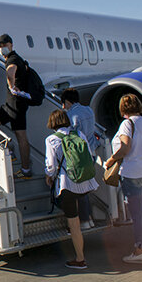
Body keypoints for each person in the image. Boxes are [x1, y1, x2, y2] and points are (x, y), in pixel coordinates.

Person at [103, 94, 142, 264]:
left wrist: (111, 160)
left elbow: (125, 147)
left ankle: (139, 249)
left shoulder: (127, 124)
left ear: (123, 108)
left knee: (137, 214)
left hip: (132, 171)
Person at [44, 109, 99, 269]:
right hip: (84, 182)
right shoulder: (79, 135)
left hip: (67, 183)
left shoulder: (52, 139)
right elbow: (89, 155)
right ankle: (86, 220)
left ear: (52, 123)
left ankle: (80, 258)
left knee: (73, 224)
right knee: (78, 212)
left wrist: (48, 175)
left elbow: (51, 166)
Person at [0, 34, 32, 178]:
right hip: (12, 104)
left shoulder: (13, 59)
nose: (2, 48)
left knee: (20, 136)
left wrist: (11, 85)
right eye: (0, 46)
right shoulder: (16, 59)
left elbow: (10, 73)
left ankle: (25, 169)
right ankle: (10, 149)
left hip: (16, 105)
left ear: (11, 44)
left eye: (4, 45)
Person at [61, 88, 98, 230]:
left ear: (67, 102)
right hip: (92, 152)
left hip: (80, 155)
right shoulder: (88, 110)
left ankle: (84, 220)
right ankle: (88, 218)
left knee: (78, 189)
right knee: (86, 187)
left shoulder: (71, 115)